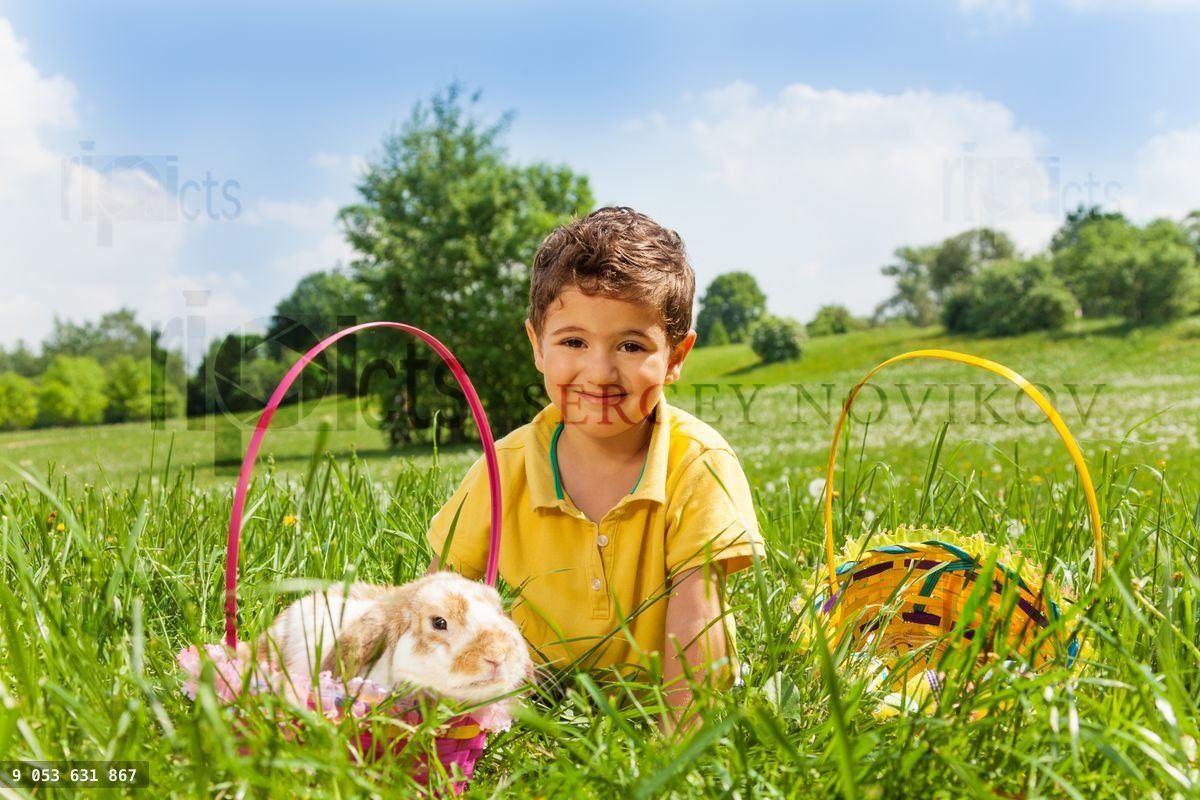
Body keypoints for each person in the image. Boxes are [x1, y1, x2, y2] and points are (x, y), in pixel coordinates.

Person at [426, 206, 764, 733]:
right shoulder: (504, 468)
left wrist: (680, 751)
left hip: (660, 701)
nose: (600, 372)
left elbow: (698, 621)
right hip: (531, 703)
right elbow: (440, 600)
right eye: (573, 342)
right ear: (537, 345)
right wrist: (429, 714)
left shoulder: (698, 464)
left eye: (632, 345)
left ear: (676, 356)